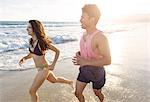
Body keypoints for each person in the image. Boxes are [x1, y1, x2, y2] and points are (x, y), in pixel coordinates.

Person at [19, 20, 73, 102]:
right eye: (27, 27)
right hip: (40, 69)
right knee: (54, 80)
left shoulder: (41, 42)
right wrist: (25, 58)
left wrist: (53, 64)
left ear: (35, 29)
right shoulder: (31, 41)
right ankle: (70, 82)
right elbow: (32, 54)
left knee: (32, 91)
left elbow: (57, 51)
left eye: (29, 27)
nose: (27, 29)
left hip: (44, 69)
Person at [72, 4, 111, 102]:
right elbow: (89, 49)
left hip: (97, 73)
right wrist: (80, 54)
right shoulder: (84, 34)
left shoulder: (101, 37)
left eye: (83, 17)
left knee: (97, 93)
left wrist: (85, 61)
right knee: (77, 93)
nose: (80, 20)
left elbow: (108, 60)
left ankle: (102, 100)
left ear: (92, 19)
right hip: (84, 70)